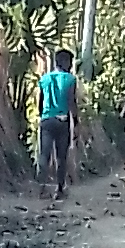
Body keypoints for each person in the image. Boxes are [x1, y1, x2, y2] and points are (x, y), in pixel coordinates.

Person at [35, 48, 80, 199]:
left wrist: (43, 116)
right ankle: (59, 189)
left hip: (46, 120)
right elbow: (71, 101)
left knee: (44, 155)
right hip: (62, 121)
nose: (71, 65)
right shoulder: (70, 79)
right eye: (70, 62)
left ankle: (41, 188)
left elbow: (40, 102)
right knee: (61, 157)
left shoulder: (44, 79)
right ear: (65, 62)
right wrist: (76, 122)